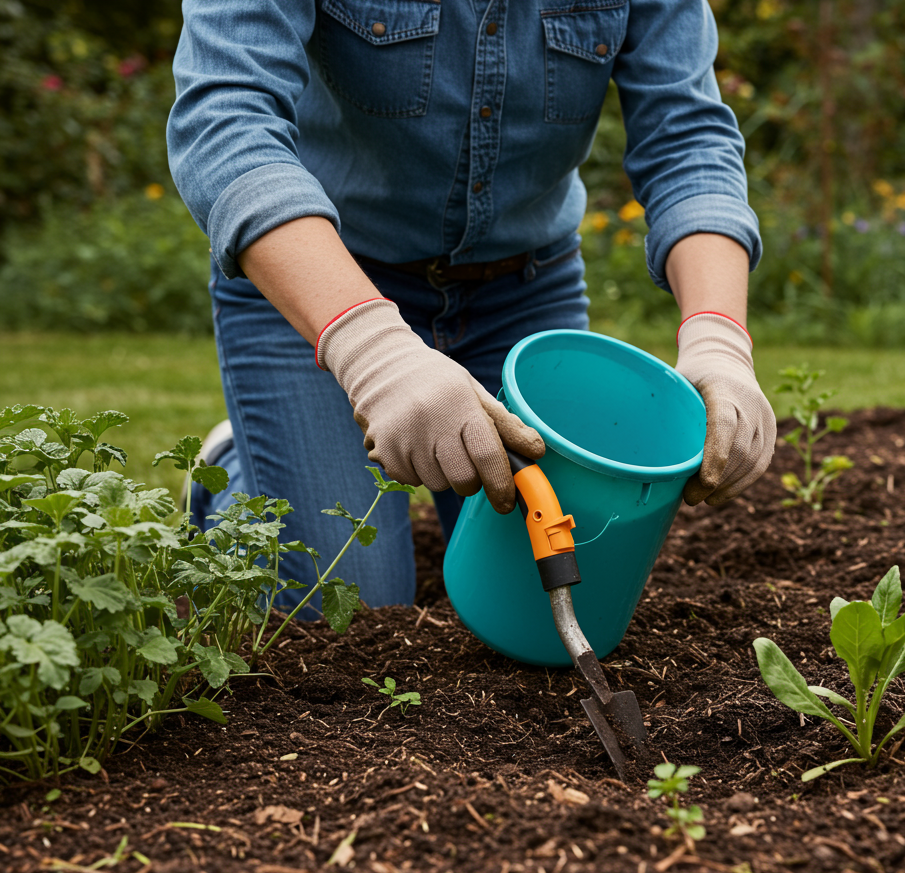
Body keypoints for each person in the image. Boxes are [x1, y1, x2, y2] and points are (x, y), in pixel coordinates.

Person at [167, 0, 776, 614]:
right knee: (344, 610)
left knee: (550, 600)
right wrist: (375, 353)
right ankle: (234, 478)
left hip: (521, 296)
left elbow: (688, 139)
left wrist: (719, 341)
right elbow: (227, 122)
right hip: (322, 287)